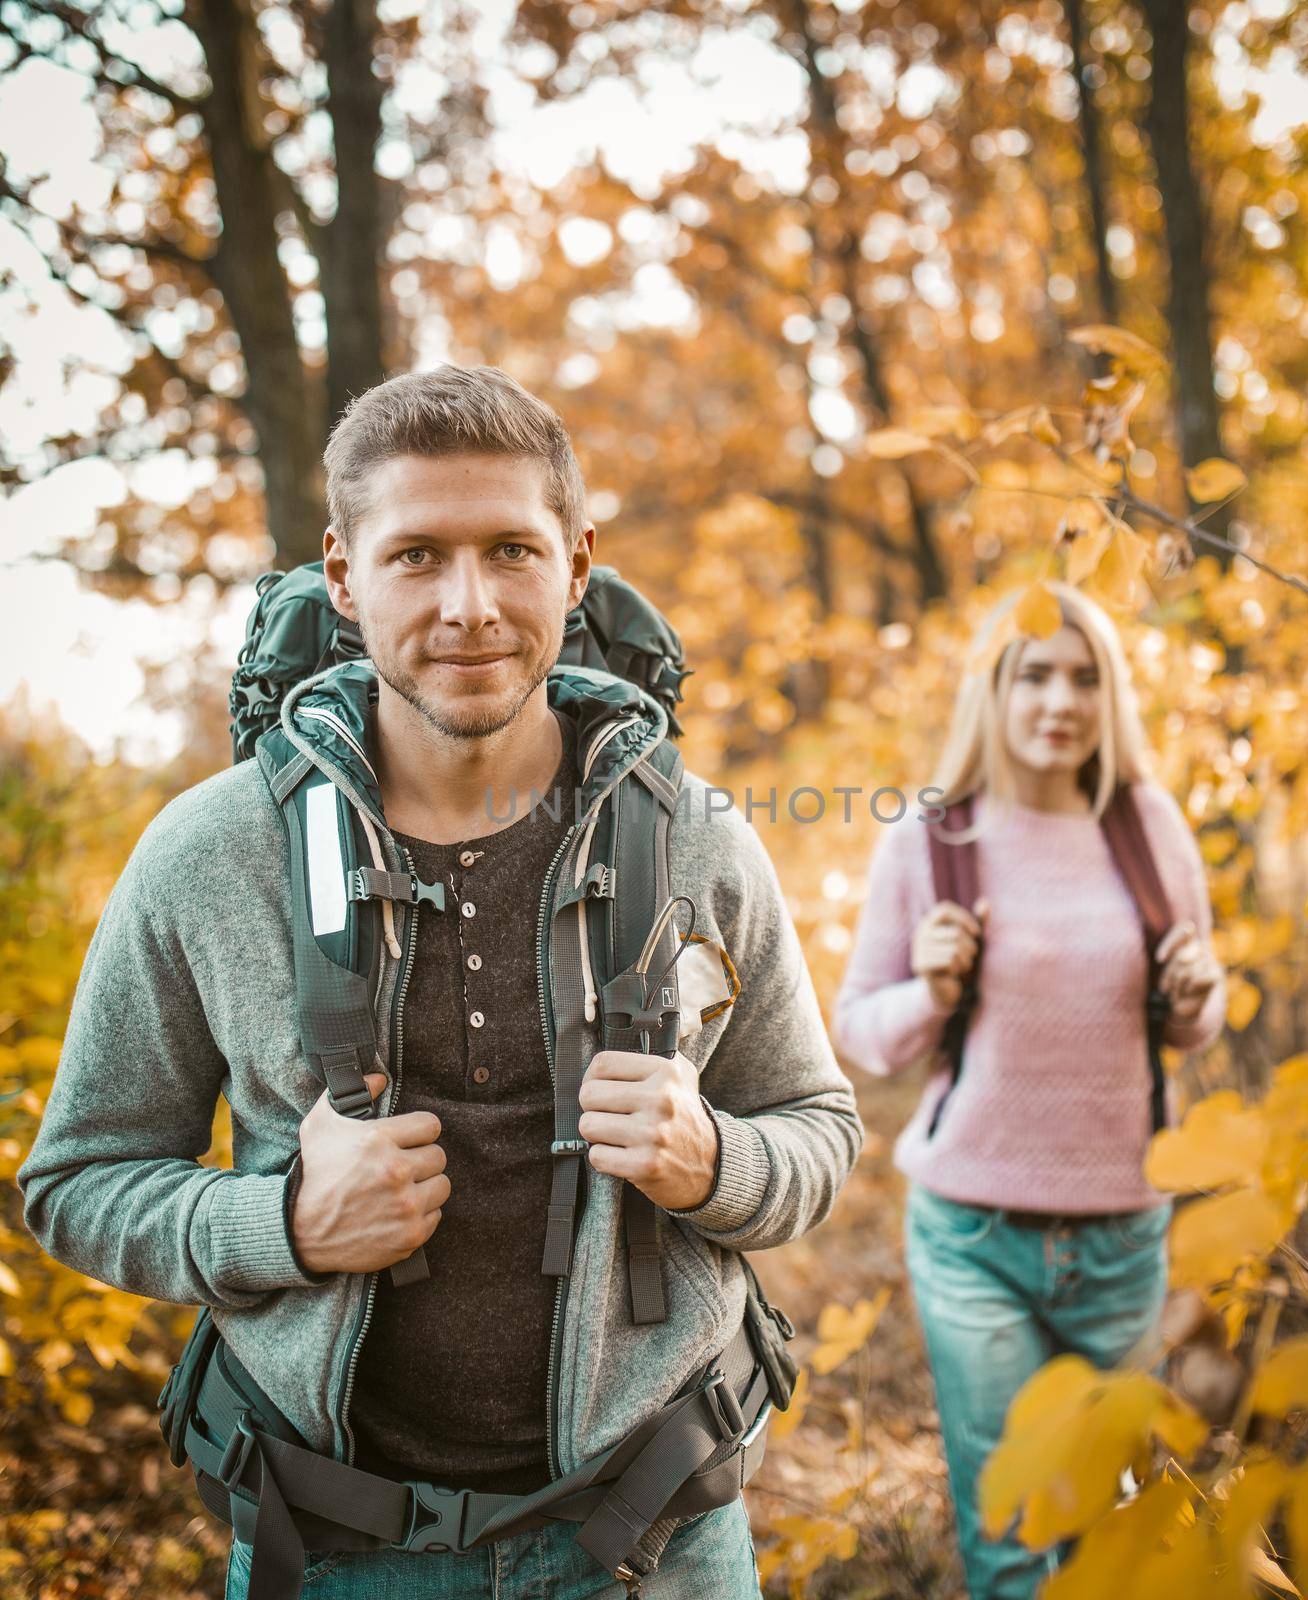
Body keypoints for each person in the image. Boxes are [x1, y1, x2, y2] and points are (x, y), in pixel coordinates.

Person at [20, 364, 863, 1600]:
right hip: (339, 1547)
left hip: (656, 1537)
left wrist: (714, 1162)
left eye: (509, 551)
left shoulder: (695, 840)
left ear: (576, 565)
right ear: (343, 575)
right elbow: (75, 1182)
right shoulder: (206, 856)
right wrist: (284, 1224)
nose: (469, 605)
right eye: (418, 556)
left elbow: (820, 1132)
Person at [832, 582, 1226, 1600]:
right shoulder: (929, 840)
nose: (1059, 700)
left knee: (1112, 1530)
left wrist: (1194, 990)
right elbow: (861, 1031)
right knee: (1010, 1538)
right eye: (1033, 674)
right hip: (973, 1236)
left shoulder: (1146, 829)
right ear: (992, 691)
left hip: (1121, 1236)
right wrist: (930, 987)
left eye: (1084, 677)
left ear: (1110, 698)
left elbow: (1193, 1014)